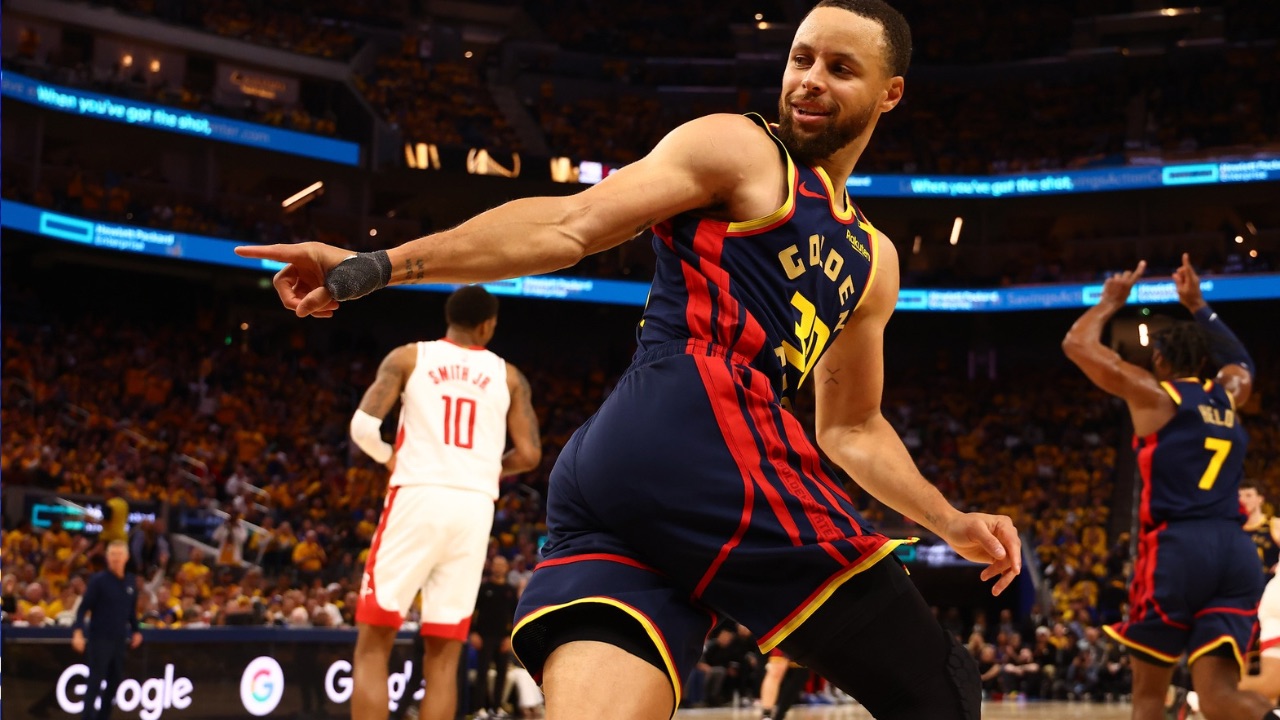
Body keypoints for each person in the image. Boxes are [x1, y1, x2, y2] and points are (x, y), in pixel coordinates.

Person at [237, 2, 1021, 717]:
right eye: (801, 58)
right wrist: (374, 267)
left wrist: (949, 520)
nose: (810, 80)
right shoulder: (742, 148)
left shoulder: (874, 262)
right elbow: (571, 224)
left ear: (890, 94)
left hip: (618, 471)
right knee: (943, 690)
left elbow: (850, 428)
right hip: (699, 421)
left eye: (841, 68)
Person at [1063, 254, 1277, 720]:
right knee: (1219, 697)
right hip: (1235, 552)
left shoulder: (1155, 394)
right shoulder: (1229, 393)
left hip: (1178, 550)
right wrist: (1198, 305)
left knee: (1148, 699)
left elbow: (1076, 344)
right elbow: (1241, 361)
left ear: (1159, 358)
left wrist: (1110, 301)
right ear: (1203, 360)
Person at [344, 285, 542, 720]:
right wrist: (488, 466)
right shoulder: (509, 376)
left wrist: (390, 457)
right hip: (474, 506)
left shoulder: (409, 357)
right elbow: (529, 454)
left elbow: (362, 429)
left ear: (449, 319)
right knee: (445, 654)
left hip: (419, 493)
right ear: (488, 325)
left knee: (374, 642)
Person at [72, 540, 142, 720]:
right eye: (112, 555)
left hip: (119, 640)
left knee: (115, 682)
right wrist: (78, 631)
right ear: (107, 557)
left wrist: (136, 630)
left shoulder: (131, 581)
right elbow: (83, 608)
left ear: (126, 557)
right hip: (99, 638)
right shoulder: (98, 580)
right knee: (95, 681)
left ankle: (103, 717)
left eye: (119, 555)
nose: (116, 558)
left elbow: (131, 611)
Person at [1241, 477, 1280, 704]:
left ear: (1260, 499)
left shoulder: (1273, 526)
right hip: (1242, 605)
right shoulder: (1233, 529)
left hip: (1269, 603)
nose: (1243, 500)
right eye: (1239, 496)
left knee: (1271, 676)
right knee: (1242, 662)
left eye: (1248, 495)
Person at [472, 556, 519, 718]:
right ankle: (479, 708)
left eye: (502, 565)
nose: (498, 567)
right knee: (482, 672)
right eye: (496, 564)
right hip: (484, 636)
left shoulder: (510, 590)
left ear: (507, 568)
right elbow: (474, 611)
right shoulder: (484, 588)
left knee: (502, 673)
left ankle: (497, 707)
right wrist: (473, 632)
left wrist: (510, 637)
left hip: (503, 638)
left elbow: (515, 614)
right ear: (491, 567)